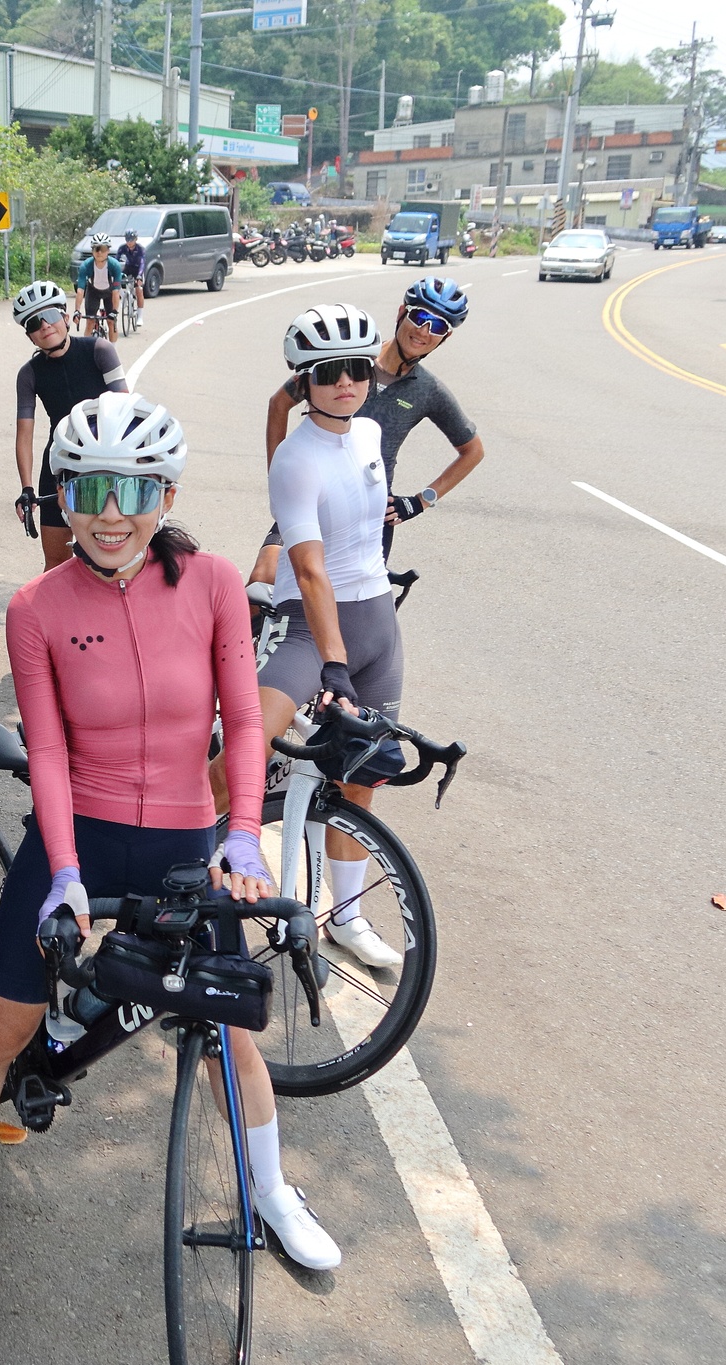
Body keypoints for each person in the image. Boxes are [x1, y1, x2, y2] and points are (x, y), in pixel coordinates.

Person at [0, 391, 342, 1281]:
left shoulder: (213, 583)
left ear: (166, 496)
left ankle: (272, 1190)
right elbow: (48, 749)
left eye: (134, 491)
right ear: (63, 496)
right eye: (89, 489)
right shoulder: (36, 606)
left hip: (185, 842)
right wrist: (64, 870)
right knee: (1, 1025)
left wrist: (242, 835)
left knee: (230, 1033)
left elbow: (243, 721)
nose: (111, 513)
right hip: (81, 833)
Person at [252, 305, 405, 972]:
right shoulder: (294, 459)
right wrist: (334, 665)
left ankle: (346, 916)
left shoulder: (370, 432)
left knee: (363, 775)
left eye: (357, 368)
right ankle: (182, 858)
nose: (345, 382)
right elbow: (311, 569)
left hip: (378, 623)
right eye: (327, 372)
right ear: (304, 381)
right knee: (249, 749)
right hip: (313, 630)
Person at [248, 277, 481, 586]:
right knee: (262, 580)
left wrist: (421, 501)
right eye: (420, 317)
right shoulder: (352, 358)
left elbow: (473, 451)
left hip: (371, 511)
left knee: (351, 599)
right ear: (402, 313)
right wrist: (278, 477)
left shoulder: (429, 390)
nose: (424, 331)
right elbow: (279, 404)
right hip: (314, 493)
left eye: (437, 326)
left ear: (445, 337)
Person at [10, 280, 128, 572]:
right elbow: (24, 435)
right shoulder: (29, 374)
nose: (45, 326)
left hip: (104, 460)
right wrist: (27, 488)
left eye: (50, 316)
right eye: (34, 323)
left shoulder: (99, 350)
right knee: (55, 563)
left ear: (65, 317)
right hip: (59, 464)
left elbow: (124, 410)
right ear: (30, 337)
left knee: (110, 559)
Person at [74, 234, 122, 341]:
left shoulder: (115, 266)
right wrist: (77, 311)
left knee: (111, 322)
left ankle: (112, 349)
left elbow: (116, 292)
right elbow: (80, 290)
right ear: (92, 250)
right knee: (90, 322)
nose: (99, 252)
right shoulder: (85, 266)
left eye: (103, 249)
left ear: (108, 250)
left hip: (110, 293)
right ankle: (86, 347)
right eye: (96, 249)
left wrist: (114, 311)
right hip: (93, 292)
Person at [117, 228, 146, 310]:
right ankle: (124, 296)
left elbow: (142, 263)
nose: (129, 242)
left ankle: (140, 314)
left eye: (131, 239)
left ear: (136, 239)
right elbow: (116, 260)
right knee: (115, 281)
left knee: (139, 290)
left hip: (138, 270)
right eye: (127, 239)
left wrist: (139, 275)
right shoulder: (122, 248)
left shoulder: (140, 249)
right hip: (128, 268)